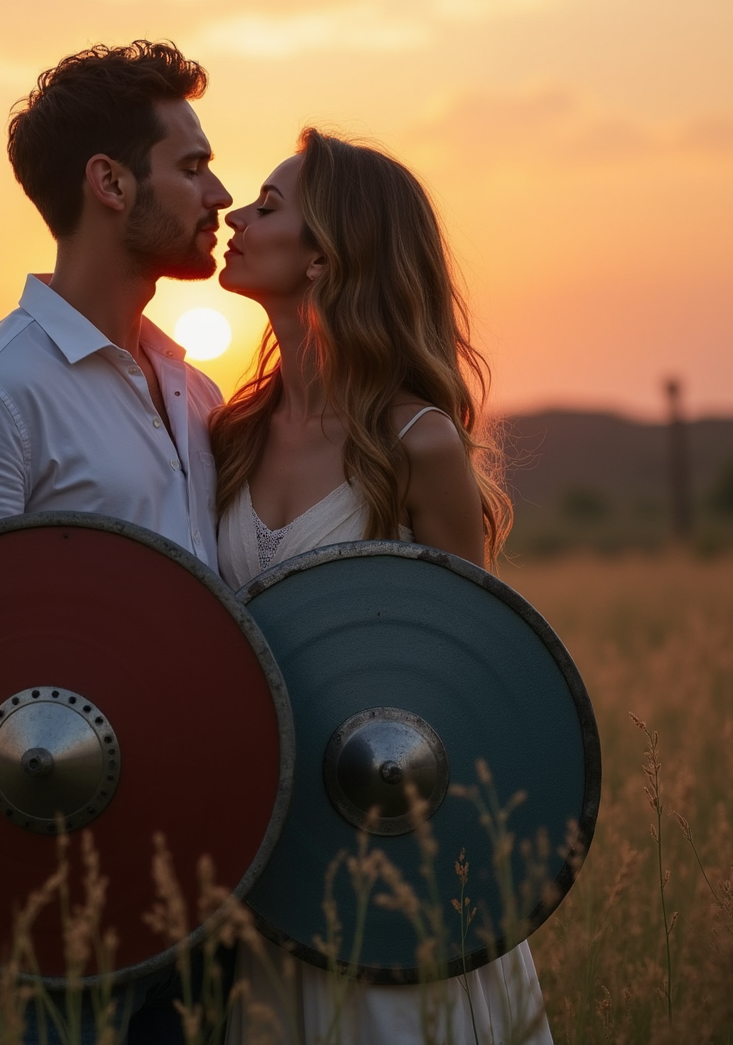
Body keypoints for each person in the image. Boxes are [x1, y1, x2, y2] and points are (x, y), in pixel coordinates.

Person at [0, 40, 235, 1044]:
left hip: (205, 871)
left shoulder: (191, 386)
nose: (216, 192)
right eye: (192, 165)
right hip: (54, 897)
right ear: (111, 182)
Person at [211, 129, 552, 1044]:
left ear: (325, 255)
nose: (235, 218)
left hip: (390, 862)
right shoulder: (224, 435)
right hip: (262, 865)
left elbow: (469, 678)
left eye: (268, 206)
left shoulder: (418, 445)